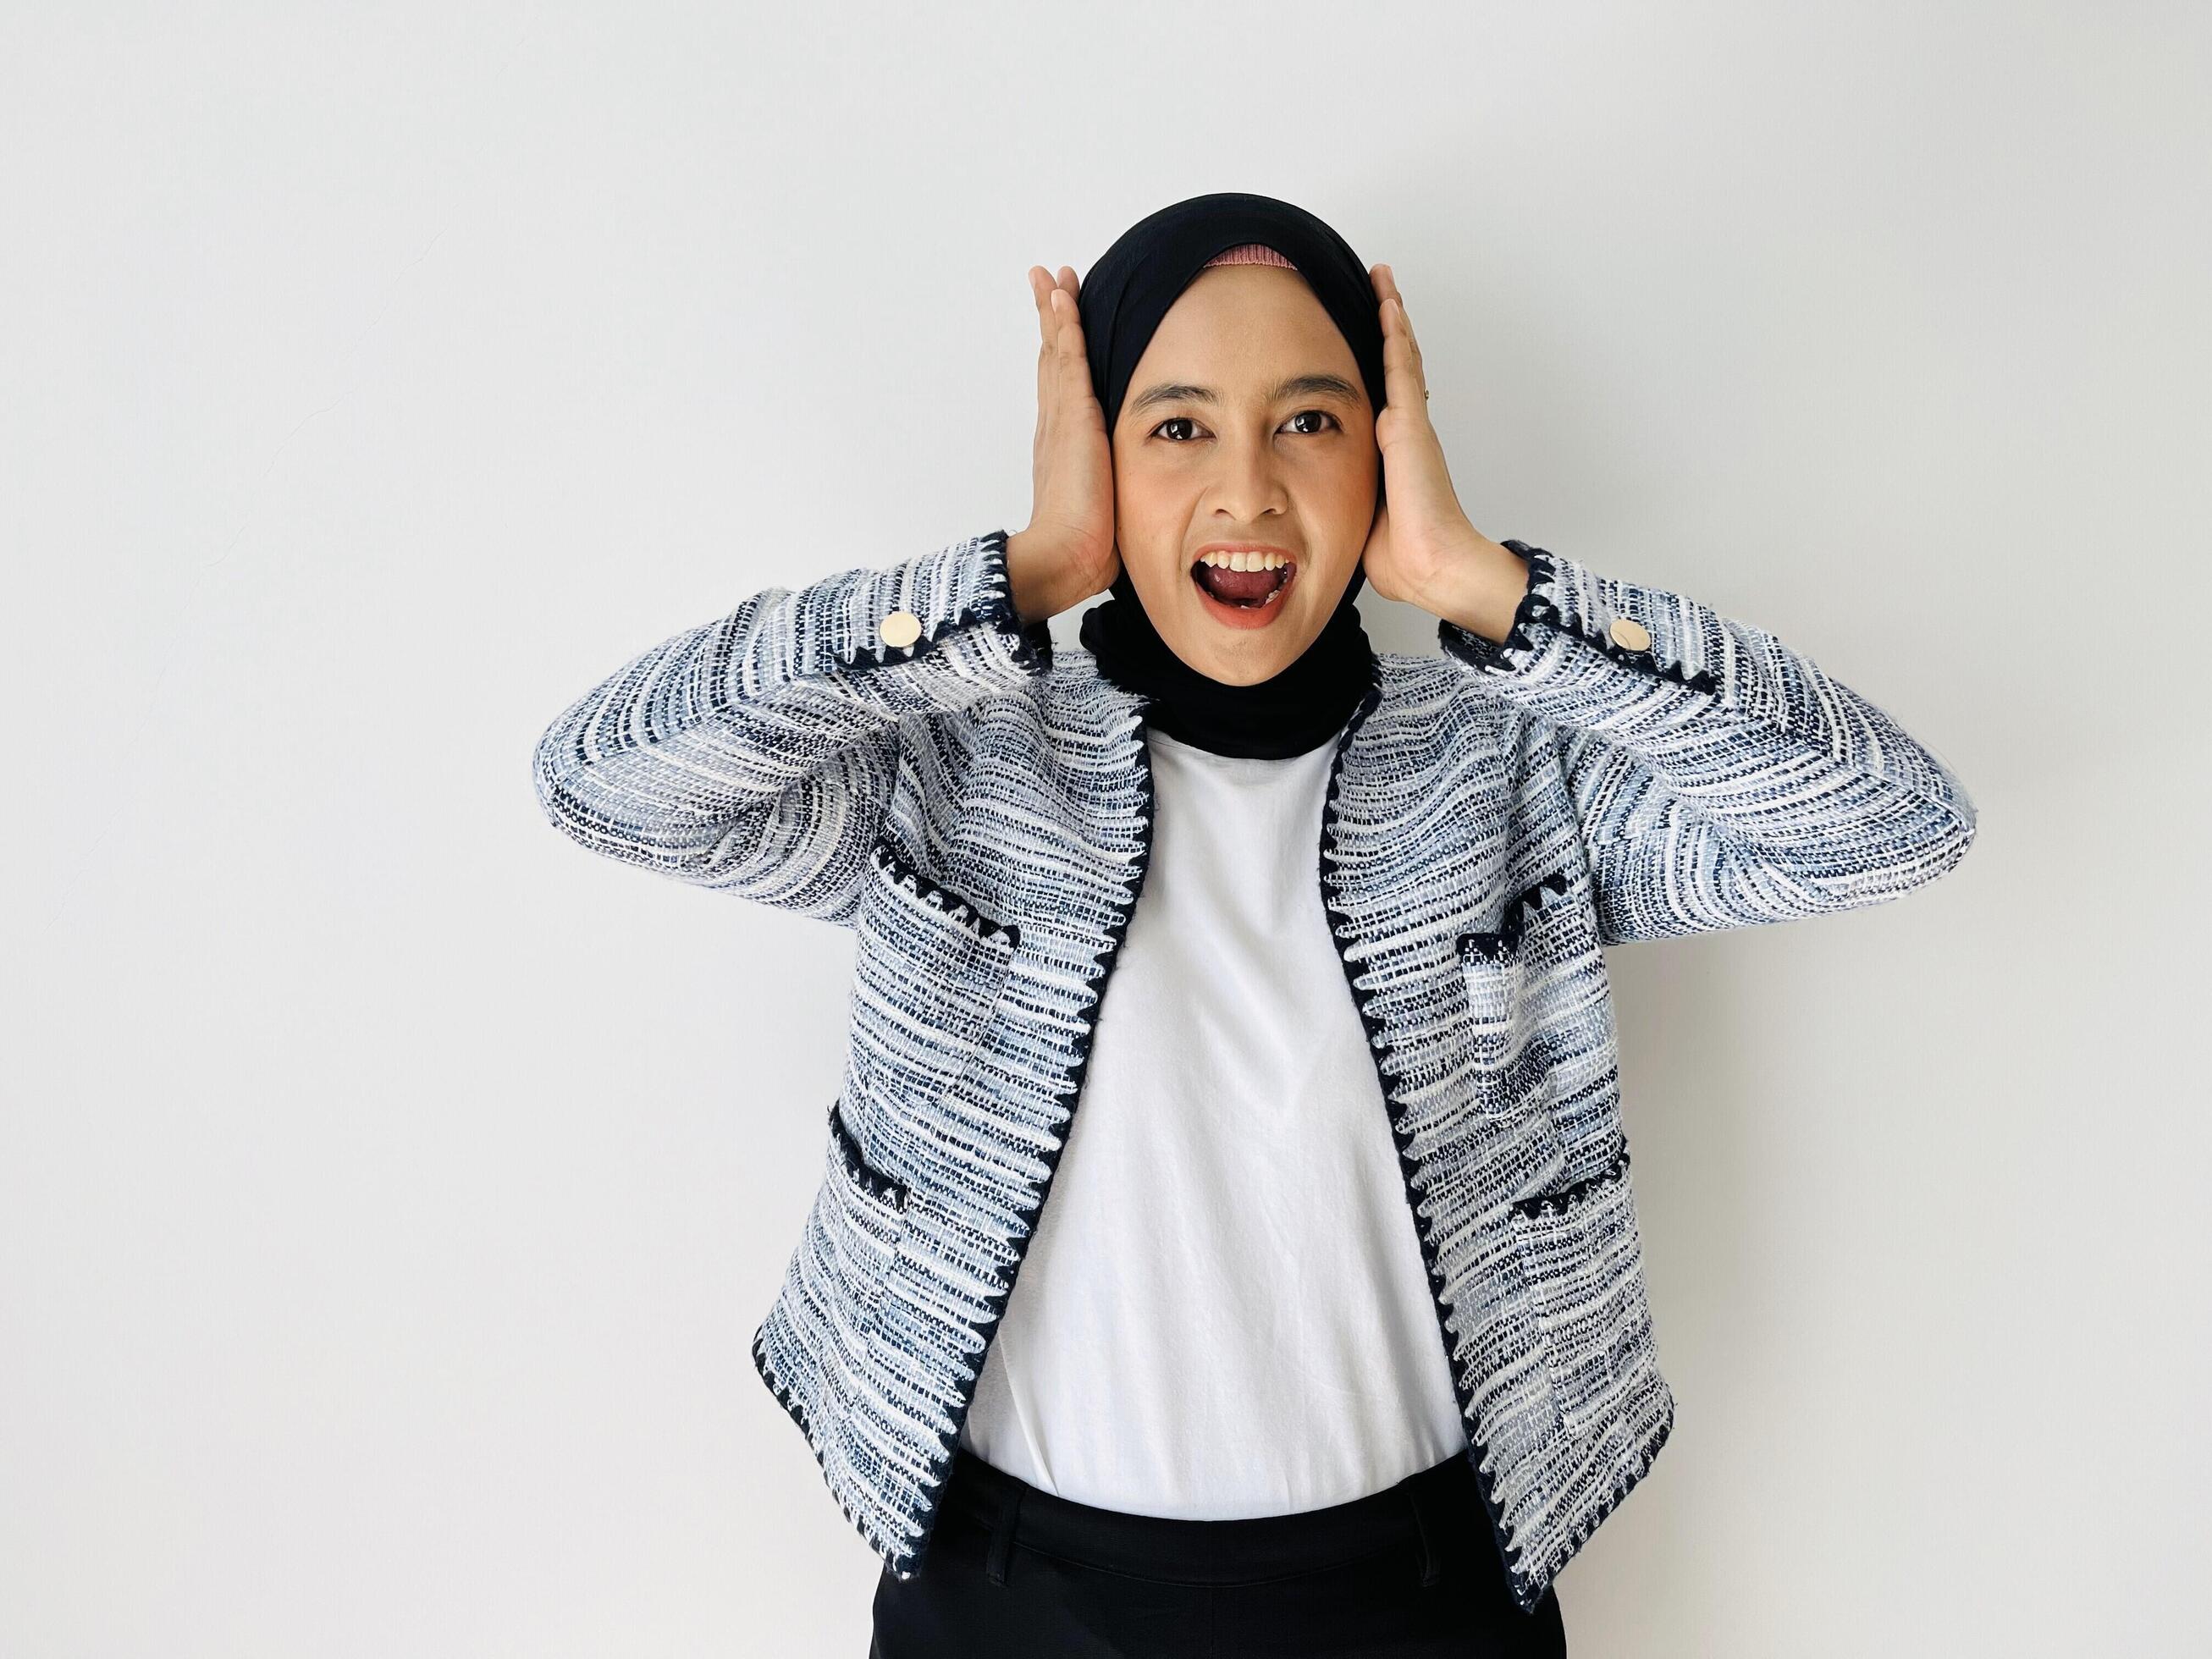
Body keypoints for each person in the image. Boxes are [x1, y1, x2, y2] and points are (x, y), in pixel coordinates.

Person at [531, 192, 1977, 1657]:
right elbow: (605, 780)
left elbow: (1887, 819)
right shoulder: (957, 762)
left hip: (1420, 1595)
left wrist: (1490, 587)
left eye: (1308, 421)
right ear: (1095, 455)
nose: (1247, 491)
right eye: (1174, 427)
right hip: (1009, 1591)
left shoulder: (1508, 765)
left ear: (1385, 454)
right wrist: (1015, 578)